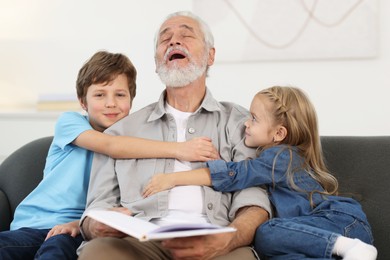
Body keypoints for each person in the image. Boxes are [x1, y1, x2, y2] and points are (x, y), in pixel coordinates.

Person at [78, 11, 271, 260]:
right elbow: (97, 207)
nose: (173, 41)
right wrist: (95, 225)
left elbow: (255, 200)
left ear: (210, 55)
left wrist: (228, 239)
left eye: (186, 35)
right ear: (157, 60)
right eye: (164, 38)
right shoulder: (121, 132)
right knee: (98, 253)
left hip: (217, 240)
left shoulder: (240, 123)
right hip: (139, 243)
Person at [0, 50, 219, 260]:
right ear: (83, 102)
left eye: (120, 94)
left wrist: (80, 224)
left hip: (77, 231)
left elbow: (123, 206)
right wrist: (180, 149)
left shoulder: (136, 144)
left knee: (56, 252)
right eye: (100, 94)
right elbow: (111, 144)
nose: (111, 103)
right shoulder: (71, 122)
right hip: (35, 224)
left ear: (131, 101)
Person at [143, 86, 378, 259]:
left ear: (278, 134)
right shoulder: (276, 160)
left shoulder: (280, 156)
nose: (246, 123)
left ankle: (350, 248)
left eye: (254, 119)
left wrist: (171, 179)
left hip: (339, 222)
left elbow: (233, 175)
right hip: (324, 231)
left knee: (266, 233)